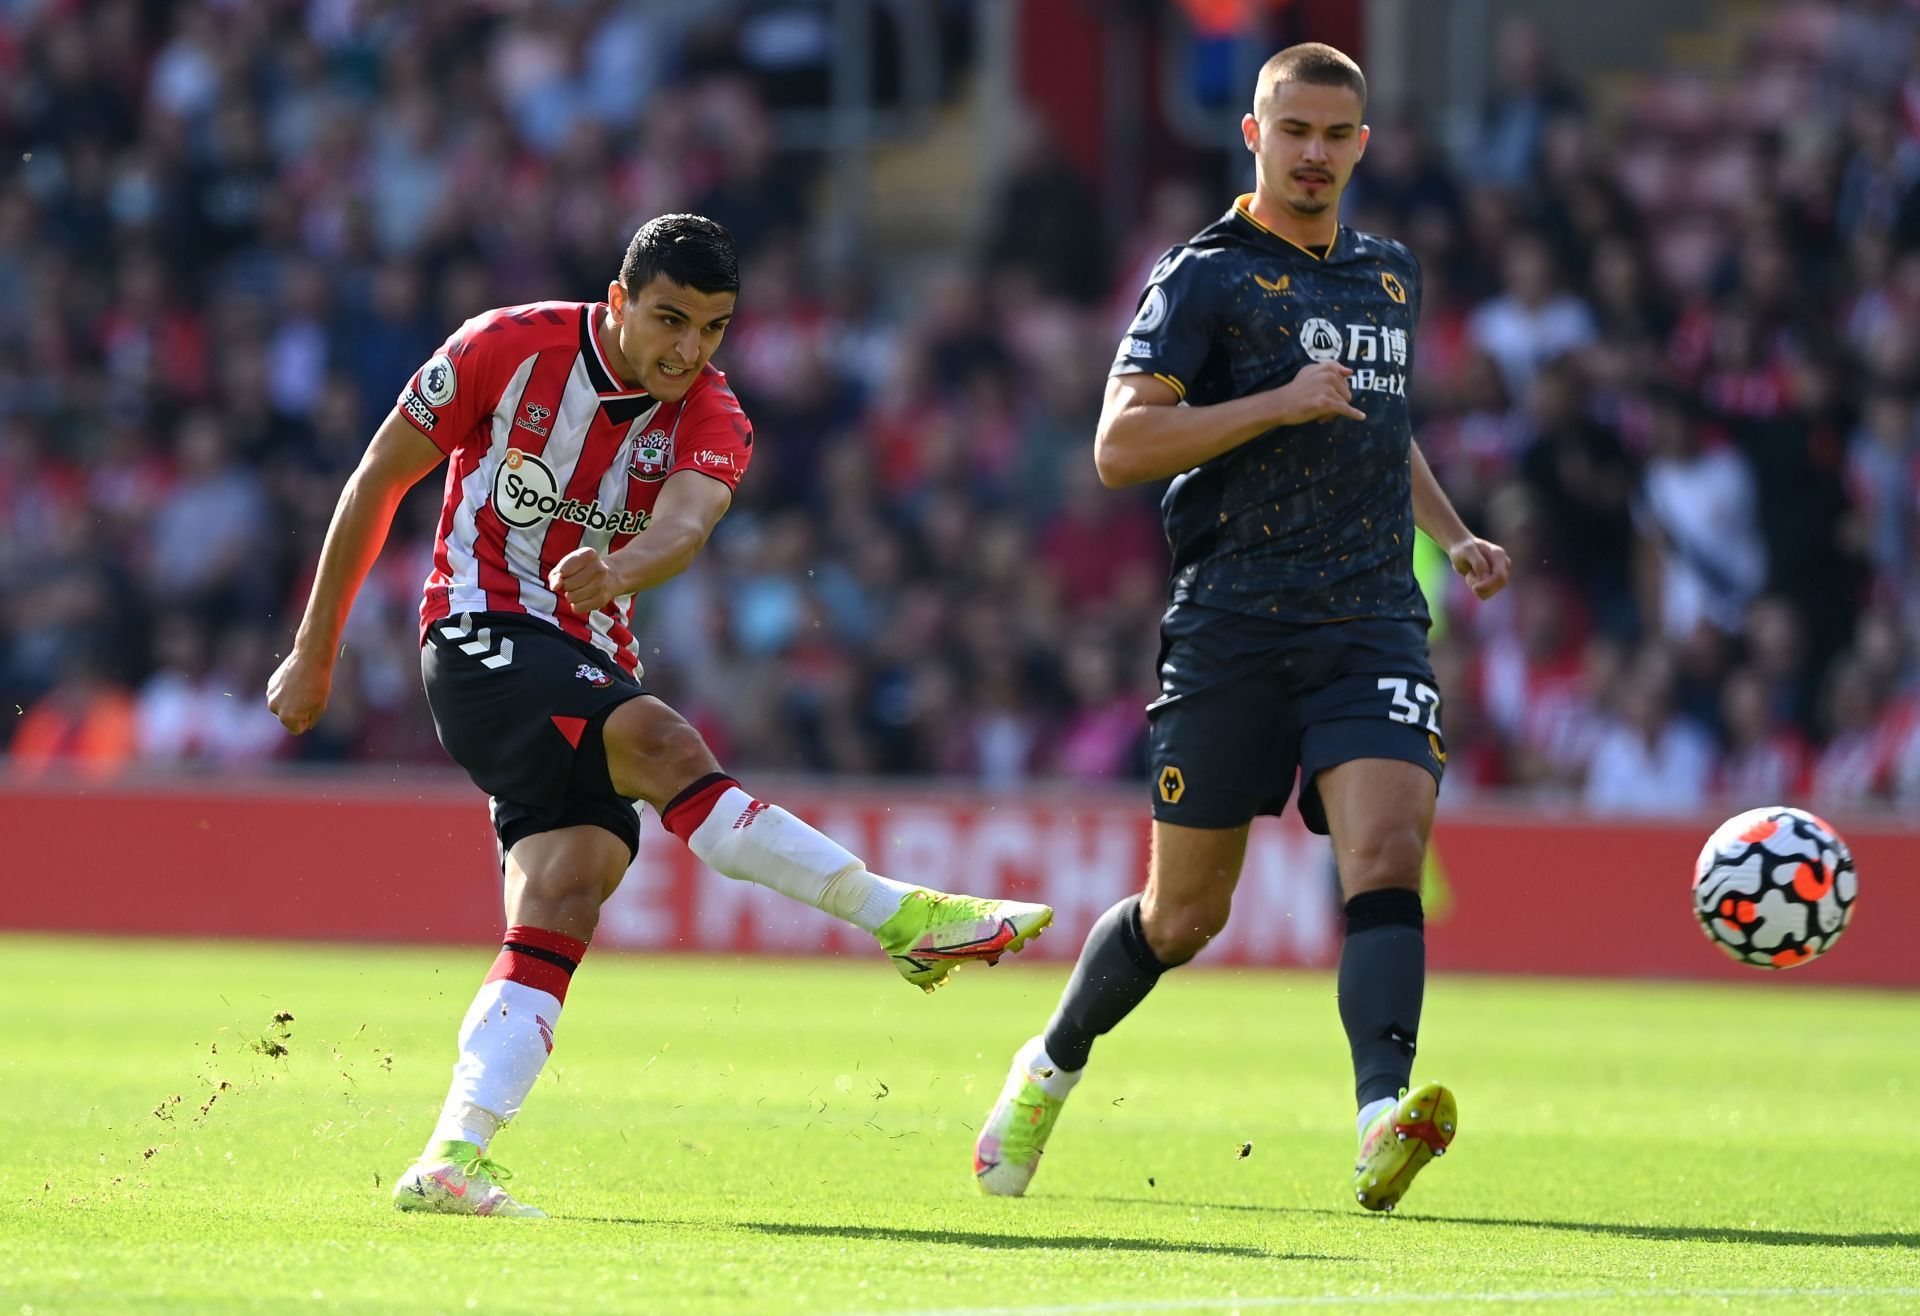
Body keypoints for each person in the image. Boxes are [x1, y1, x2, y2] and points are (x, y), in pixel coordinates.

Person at [267, 214, 1052, 1218]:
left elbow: (683, 526)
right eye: (671, 320)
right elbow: (379, 475)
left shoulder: (715, 414)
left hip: (588, 655)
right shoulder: (502, 347)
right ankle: (902, 916)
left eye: (713, 329)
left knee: (567, 888)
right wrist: (314, 649)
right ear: (619, 301)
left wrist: (619, 568)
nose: (689, 350)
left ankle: (452, 1154)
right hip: (477, 631)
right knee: (668, 744)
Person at [972, 45, 1511, 1213]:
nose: (1315, 154)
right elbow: (1120, 446)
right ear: (1255, 136)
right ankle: (1048, 1064)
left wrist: (1455, 530)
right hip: (1233, 623)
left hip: (1370, 618)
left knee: (1384, 851)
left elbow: (1378, 428)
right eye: (1295, 131)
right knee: (1184, 914)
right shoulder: (1202, 276)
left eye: (1337, 135)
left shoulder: (1390, 276)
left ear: (1362, 146)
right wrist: (1275, 399)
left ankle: (1379, 1116)